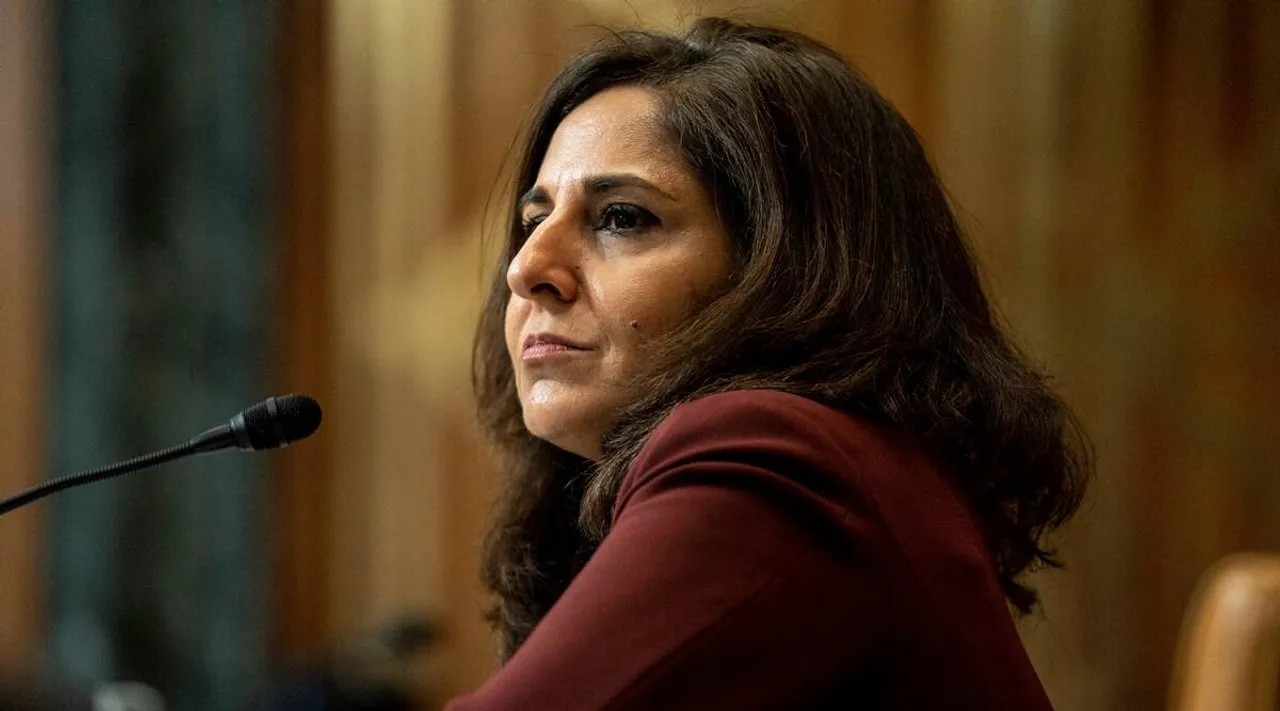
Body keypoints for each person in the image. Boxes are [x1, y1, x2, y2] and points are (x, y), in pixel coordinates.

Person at [451, 17, 1091, 710]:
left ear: (784, 270)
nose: (527, 268)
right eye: (533, 220)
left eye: (623, 218)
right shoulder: (847, 458)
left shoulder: (776, 458)